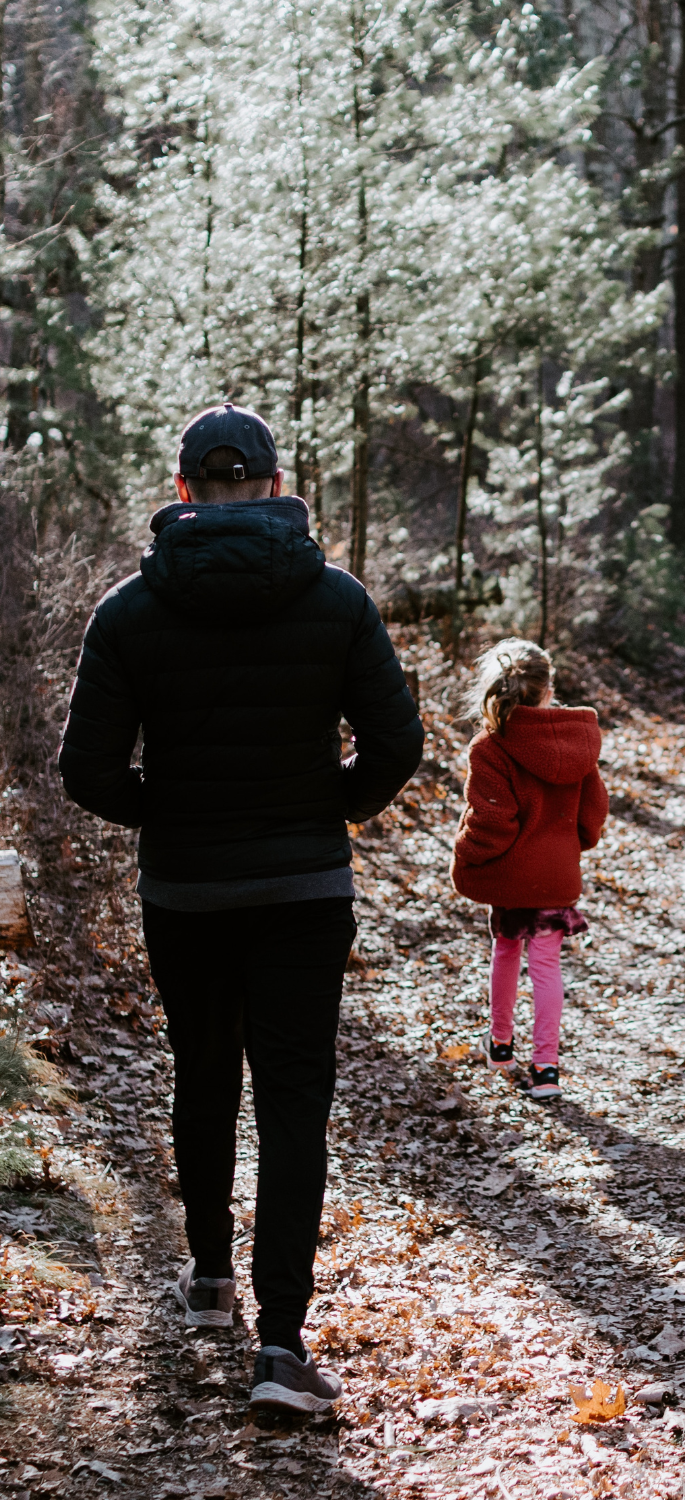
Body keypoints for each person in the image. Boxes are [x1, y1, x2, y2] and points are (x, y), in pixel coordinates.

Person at [58, 402, 423, 1414]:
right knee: (294, 1101)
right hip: (305, 890)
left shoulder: (130, 610)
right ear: (272, 487)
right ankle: (281, 1348)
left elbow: (85, 769)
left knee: (204, 1069)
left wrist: (167, 816)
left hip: (186, 889)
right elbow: (397, 745)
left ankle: (210, 1279)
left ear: (182, 491)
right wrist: (328, 811)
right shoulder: (335, 600)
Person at [450, 639, 607, 1100]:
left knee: (505, 951)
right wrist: (568, 846)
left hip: (511, 876)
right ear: (548, 687)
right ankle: (547, 1070)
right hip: (556, 876)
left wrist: (466, 853)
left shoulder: (491, 746)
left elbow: (492, 824)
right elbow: (594, 811)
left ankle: (500, 1045)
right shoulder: (578, 741)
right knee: (546, 969)